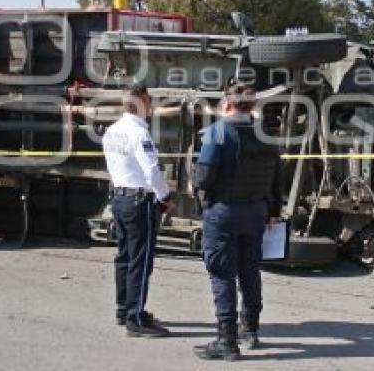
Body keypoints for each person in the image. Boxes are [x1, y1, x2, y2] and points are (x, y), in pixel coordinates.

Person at [193, 83, 283, 361]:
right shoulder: (266, 135)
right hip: (257, 212)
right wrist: (273, 211)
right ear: (252, 106)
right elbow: (278, 177)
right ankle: (251, 331)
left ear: (228, 105)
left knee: (222, 273)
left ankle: (226, 341)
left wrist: (194, 183)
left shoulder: (219, 132)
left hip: (224, 212)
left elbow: (203, 178)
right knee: (250, 271)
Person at [102, 83, 173, 338]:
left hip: (119, 197)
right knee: (140, 261)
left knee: (124, 256)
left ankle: (124, 309)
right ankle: (135, 318)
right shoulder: (139, 134)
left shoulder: (112, 131)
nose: (151, 107)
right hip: (138, 201)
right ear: (142, 103)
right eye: (149, 102)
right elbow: (152, 171)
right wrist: (165, 196)